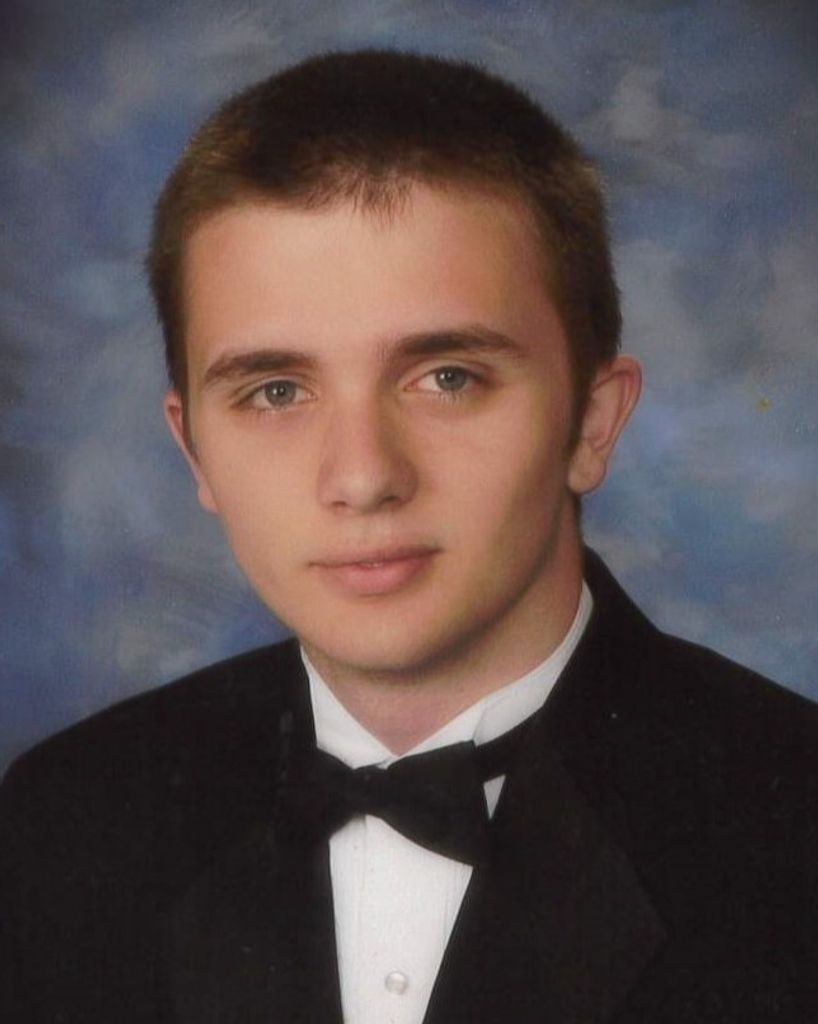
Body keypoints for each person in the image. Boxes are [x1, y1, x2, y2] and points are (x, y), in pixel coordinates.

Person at [1, 49, 816, 1024]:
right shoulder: (64, 819)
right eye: (276, 391)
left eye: (446, 378)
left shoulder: (793, 827)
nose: (362, 478)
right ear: (194, 451)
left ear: (590, 423)